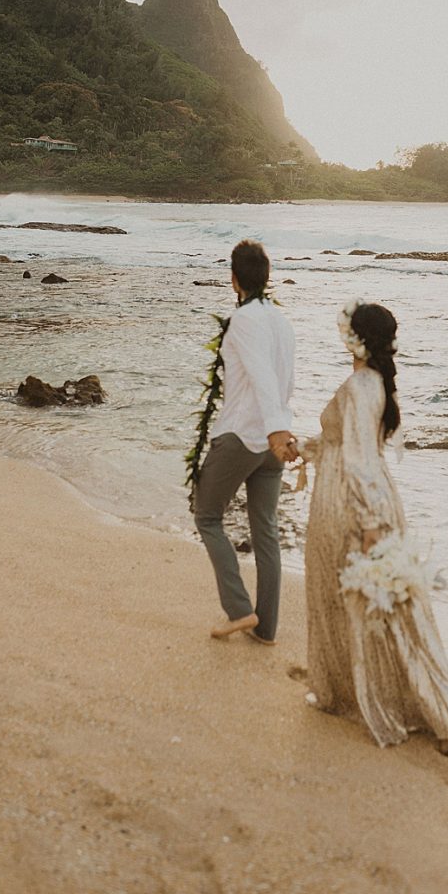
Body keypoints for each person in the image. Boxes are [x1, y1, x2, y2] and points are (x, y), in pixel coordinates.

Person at [299, 300, 448, 753]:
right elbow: (345, 444)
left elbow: (358, 462)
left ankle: (419, 705)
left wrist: (371, 525)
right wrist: (303, 449)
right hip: (362, 497)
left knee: (373, 606)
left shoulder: (362, 386)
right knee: (366, 605)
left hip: (351, 504)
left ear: (353, 338)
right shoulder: (375, 383)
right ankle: (345, 691)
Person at [192, 239, 297, 645]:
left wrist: (273, 430)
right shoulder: (282, 322)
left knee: (207, 515)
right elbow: (285, 380)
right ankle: (266, 628)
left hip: (244, 435)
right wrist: (282, 428)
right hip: (273, 440)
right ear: (266, 278)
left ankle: (239, 610)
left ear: (234, 279)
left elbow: (261, 377)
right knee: (265, 530)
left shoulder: (244, 320)